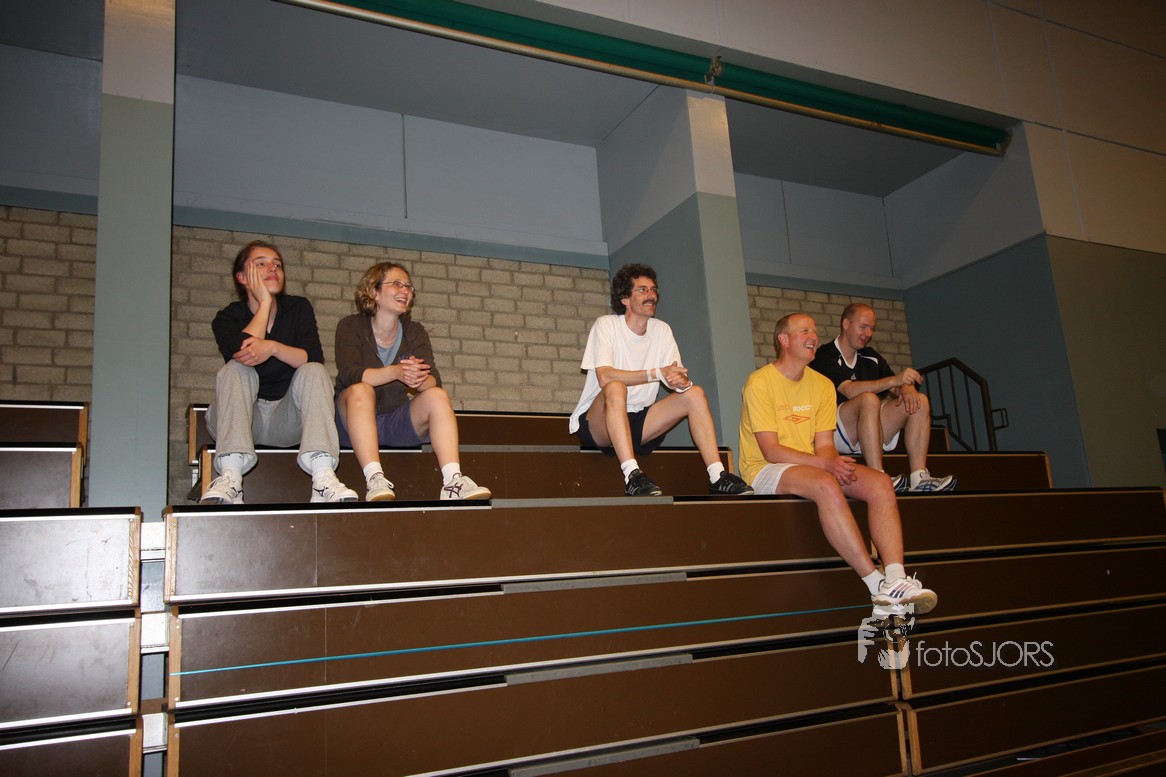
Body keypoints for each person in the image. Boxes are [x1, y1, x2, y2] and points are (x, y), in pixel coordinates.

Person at [739, 312, 937, 615]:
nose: (813, 337)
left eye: (814, 331)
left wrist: (833, 462)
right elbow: (771, 450)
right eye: (804, 331)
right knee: (825, 483)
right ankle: (876, 584)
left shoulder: (821, 385)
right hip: (763, 469)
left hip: (811, 463)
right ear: (783, 340)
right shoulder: (760, 382)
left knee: (880, 482)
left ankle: (896, 579)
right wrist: (825, 466)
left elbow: (824, 446)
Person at [568, 263, 753, 497]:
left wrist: (680, 381)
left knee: (695, 393)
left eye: (654, 290)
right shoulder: (607, 325)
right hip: (599, 423)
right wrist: (656, 373)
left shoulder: (662, 330)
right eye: (642, 290)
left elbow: (675, 374)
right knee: (615, 387)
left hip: (639, 420)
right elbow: (605, 376)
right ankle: (632, 475)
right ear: (625, 298)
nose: (651, 295)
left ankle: (718, 475)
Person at [201, 240, 357, 505]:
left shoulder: (297, 308)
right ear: (242, 277)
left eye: (277, 264)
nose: (273, 268)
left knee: (314, 371)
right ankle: (231, 478)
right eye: (261, 264)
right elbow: (244, 352)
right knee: (237, 368)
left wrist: (273, 347)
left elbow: (312, 356)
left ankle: (322, 477)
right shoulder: (227, 316)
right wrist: (264, 303)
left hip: (286, 421)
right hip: (241, 419)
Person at [333, 262, 490, 501]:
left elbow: (434, 380)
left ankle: (453, 481)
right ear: (373, 291)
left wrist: (418, 379)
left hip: (394, 421)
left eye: (408, 286)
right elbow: (349, 374)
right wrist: (396, 372)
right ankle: (375, 478)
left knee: (438, 396)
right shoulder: (351, 326)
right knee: (361, 390)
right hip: (352, 421)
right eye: (397, 284)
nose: (405, 290)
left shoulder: (414, 331)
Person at [810, 303, 955, 493]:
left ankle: (919, 477)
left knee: (920, 401)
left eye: (872, 328)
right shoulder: (824, 355)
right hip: (835, 431)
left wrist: (906, 387)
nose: (868, 333)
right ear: (846, 324)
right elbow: (850, 390)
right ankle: (877, 474)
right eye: (863, 327)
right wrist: (896, 380)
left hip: (870, 428)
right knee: (868, 399)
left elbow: (897, 386)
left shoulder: (871, 356)